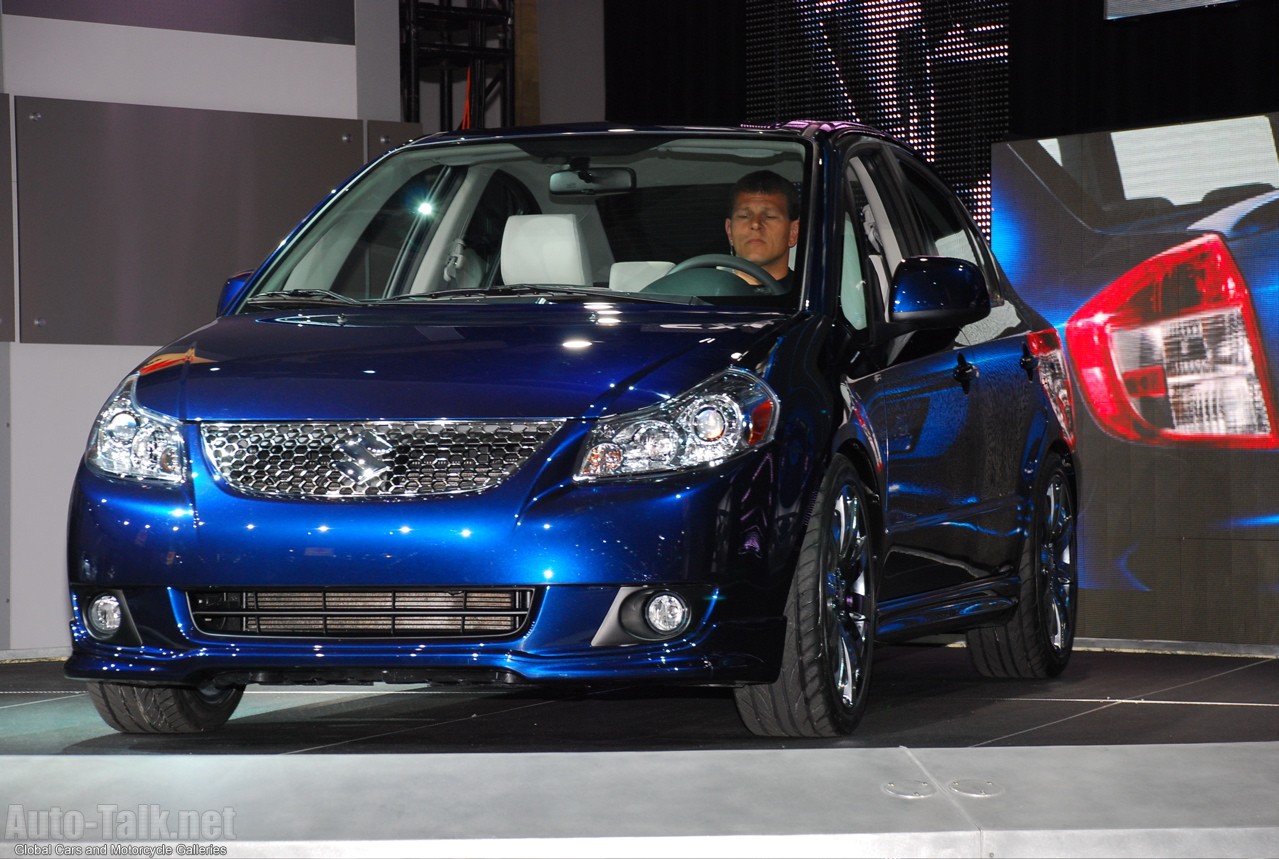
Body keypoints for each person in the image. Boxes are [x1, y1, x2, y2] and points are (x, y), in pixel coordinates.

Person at [725, 170, 800, 289]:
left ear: (793, 232)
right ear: (729, 230)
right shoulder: (705, 293)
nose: (755, 224)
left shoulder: (809, 293)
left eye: (770, 217)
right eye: (744, 216)